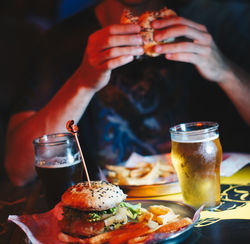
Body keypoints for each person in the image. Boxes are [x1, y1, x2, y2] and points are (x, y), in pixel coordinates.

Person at [5, 0, 250, 186]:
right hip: (111, 212)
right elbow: (19, 170)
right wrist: (83, 82)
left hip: (214, 197)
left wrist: (225, 71)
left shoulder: (221, 20)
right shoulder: (61, 42)